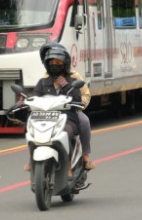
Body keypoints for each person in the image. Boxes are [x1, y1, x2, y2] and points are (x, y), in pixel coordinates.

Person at [22, 43, 94, 173]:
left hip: (71, 112)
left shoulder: (74, 77)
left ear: (65, 62)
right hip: (48, 115)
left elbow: (83, 95)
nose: (55, 65)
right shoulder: (44, 80)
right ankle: (32, 159)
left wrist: (77, 104)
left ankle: (85, 156)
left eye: (58, 62)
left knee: (84, 121)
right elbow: (36, 96)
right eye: (52, 62)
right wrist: (25, 103)